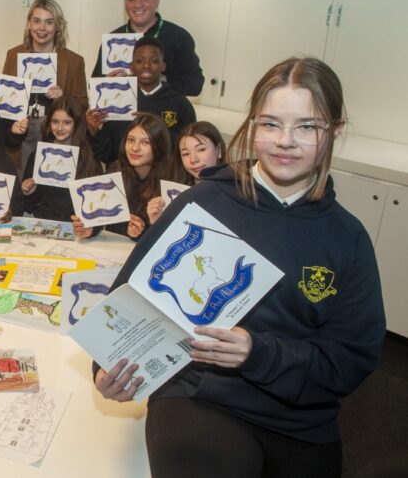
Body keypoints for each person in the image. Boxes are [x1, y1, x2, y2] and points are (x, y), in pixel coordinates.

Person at [95, 57, 385, 478]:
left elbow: (351, 358)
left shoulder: (348, 238)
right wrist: (108, 366)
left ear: (334, 131)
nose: (286, 140)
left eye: (307, 126)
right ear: (251, 127)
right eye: (270, 124)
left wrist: (259, 352)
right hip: (199, 392)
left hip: (300, 416)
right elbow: (128, 296)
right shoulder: (203, 203)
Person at [3, 0, 88, 172]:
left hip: (57, 135)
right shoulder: (13, 55)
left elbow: (83, 103)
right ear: (29, 24)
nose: (42, 28)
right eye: (37, 21)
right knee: (24, 185)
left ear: (57, 26)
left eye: (49, 22)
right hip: (23, 135)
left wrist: (64, 97)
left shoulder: (74, 61)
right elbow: (4, 98)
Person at [91, 0, 204, 97]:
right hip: (123, 114)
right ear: (125, 2)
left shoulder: (179, 37)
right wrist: (106, 83)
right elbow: (93, 85)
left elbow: (195, 85)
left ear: (157, 0)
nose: (138, 4)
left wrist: (163, 80)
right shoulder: (112, 41)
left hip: (162, 113)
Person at [89, 37, 196, 165]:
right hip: (124, 176)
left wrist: (156, 127)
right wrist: (93, 131)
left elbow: (187, 149)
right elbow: (107, 153)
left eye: (154, 60)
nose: (146, 65)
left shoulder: (180, 104)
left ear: (163, 66)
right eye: (139, 61)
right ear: (132, 66)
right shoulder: (118, 100)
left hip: (163, 177)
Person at [21, 96, 101, 237]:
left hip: (76, 231)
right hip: (41, 227)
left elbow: (98, 211)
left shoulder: (90, 159)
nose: (59, 128)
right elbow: (28, 205)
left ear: (77, 124)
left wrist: (90, 231)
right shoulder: (38, 155)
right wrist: (28, 192)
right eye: (55, 121)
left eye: (67, 123)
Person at [105, 113, 173, 240]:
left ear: (159, 145)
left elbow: (169, 236)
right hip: (114, 247)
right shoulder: (116, 169)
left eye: (145, 142)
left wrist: (142, 232)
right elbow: (103, 220)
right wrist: (89, 229)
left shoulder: (170, 181)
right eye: (130, 140)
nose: (135, 148)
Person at [176, 121, 227, 185]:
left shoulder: (234, 190)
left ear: (219, 150)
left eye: (201, 149)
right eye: (186, 154)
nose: (193, 160)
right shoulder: (175, 187)